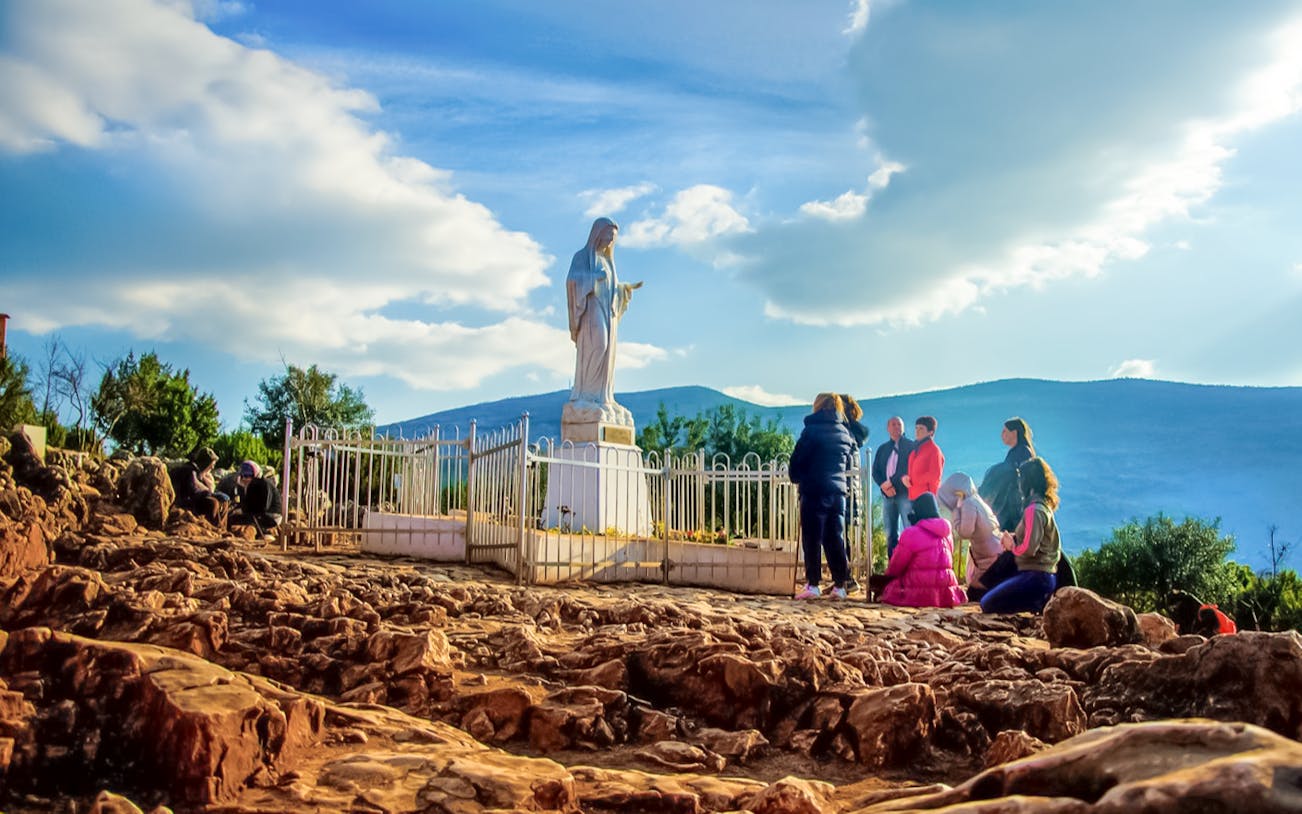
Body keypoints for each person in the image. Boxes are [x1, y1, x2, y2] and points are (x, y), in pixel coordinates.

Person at [564, 217, 643, 427]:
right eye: (607, 237)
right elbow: (572, 281)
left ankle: (602, 397)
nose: (609, 242)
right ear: (597, 234)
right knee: (599, 345)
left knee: (608, 353)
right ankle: (586, 396)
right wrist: (592, 278)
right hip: (591, 312)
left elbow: (610, 288)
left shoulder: (609, 262)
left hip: (608, 313)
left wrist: (624, 289)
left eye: (612, 239)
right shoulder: (582, 257)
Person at [788, 393, 855, 599]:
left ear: (817, 406)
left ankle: (813, 584)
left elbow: (797, 460)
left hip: (814, 489)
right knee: (835, 537)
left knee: (812, 537)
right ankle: (840, 585)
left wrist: (798, 477)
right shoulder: (844, 432)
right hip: (838, 492)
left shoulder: (811, 431)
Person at [980, 457, 1062, 614]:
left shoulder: (1033, 510)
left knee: (987, 603)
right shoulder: (1043, 507)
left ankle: (1033, 605)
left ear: (1027, 482)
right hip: (1044, 576)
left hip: (1036, 576)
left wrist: (1012, 546)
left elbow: (1029, 549)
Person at [879, 492, 967, 608]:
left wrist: (886, 580)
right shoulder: (947, 533)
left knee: (890, 586)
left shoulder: (911, 533)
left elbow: (896, 566)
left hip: (918, 593)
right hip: (945, 592)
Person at [937, 472, 1002, 599]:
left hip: (988, 560)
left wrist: (956, 511)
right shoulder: (976, 500)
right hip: (993, 554)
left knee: (972, 595)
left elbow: (965, 532)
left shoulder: (968, 504)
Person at [980, 417, 1036, 532]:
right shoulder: (1018, 451)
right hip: (1012, 506)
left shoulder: (1023, 452)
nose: (1002, 434)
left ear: (1014, 432)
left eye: (1005, 431)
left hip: (1015, 509)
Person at [871, 416, 915, 558]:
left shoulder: (911, 446)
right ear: (888, 428)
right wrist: (883, 486)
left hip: (905, 495)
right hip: (888, 496)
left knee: (910, 530)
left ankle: (912, 565)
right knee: (890, 534)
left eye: (899, 424)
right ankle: (893, 566)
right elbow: (875, 471)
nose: (896, 427)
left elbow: (907, 468)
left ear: (903, 427)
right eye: (893, 424)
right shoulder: (883, 449)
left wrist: (891, 483)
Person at [840, 394, 869, 592]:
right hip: (851, 487)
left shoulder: (843, 432)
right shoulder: (856, 434)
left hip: (841, 486)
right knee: (842, 534)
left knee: (838, 534)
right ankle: (845, 575)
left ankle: (845, 577)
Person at [169, 447, 225, 527]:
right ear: (205, 463)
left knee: (222, 501)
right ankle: (215, 527)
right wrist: (208, 492)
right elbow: (194, 489)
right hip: (183, 503)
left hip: (188, 499)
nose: (212, 467)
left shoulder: (193, 470)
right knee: (213, 503)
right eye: (211, 464)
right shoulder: (190, 471)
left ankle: (221, 527)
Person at [229, 460, 283, 536]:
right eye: (243, 475)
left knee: (238, 520)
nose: (245, 478)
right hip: (258, 514)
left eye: (248, 475)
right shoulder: (247, 485)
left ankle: (263, 532)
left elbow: (263, 507)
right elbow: (245, 503)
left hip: (271, 516)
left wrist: (244, 510)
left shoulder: (264, 484)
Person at [903, 416, 944, 501]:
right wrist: (905, 478)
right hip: (913, 498)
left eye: (921, 428)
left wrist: (913, 480)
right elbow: (911, 474)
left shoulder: (934, 450)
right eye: (916, 428)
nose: (917, 431)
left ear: (931, 432)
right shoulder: (914, 452)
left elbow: (935, 475)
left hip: (928, 499)